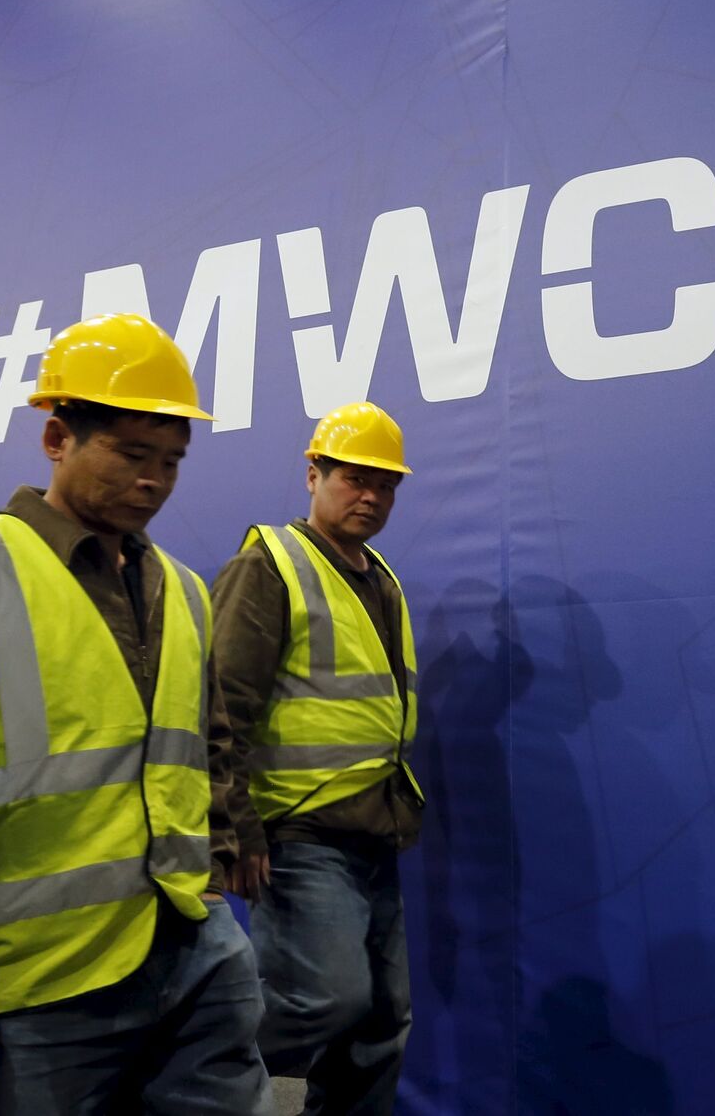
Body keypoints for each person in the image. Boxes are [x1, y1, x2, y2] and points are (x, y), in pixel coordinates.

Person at [0, 313, 271, 1114]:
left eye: (170, 461)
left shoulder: (184, 590)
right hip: (37, 984)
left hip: (194, 954)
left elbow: (207, 750)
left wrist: (217, 869)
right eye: (131, 454)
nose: (153, 480)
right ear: (57, 438)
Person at [211, 401, 422, 1115]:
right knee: (323, 1000)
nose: (371, 496)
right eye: (355, 479)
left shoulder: (378, 576)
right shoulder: (270, 566)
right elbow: (222, 706)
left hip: (375, 831)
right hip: (301, 833)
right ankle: (176, 1074)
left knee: (380, 1023)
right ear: (313, 475)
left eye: (385, 485)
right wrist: (234, 827)